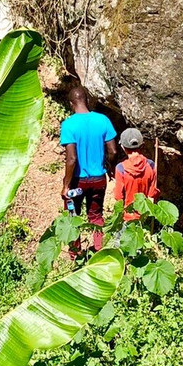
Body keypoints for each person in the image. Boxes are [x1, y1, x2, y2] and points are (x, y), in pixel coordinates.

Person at [60, 86, 117, 251]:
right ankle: (100, 251)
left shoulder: (68, 125)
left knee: (72, 217)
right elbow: (113, 151)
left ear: (71, 104)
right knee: (96, 216)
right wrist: (109, 168)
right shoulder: (103, 120)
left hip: (77, 181)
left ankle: (76, 253)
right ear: (87, 100)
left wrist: (66, 185)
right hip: (99, 179)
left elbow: (72, 159)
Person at [112, 128, 159, 219]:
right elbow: (152, 193)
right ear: (142, 146)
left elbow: (118, 196)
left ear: (123, 147)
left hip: (128, 217)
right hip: (145, 215)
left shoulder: (120, 168)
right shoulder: (151, 165)